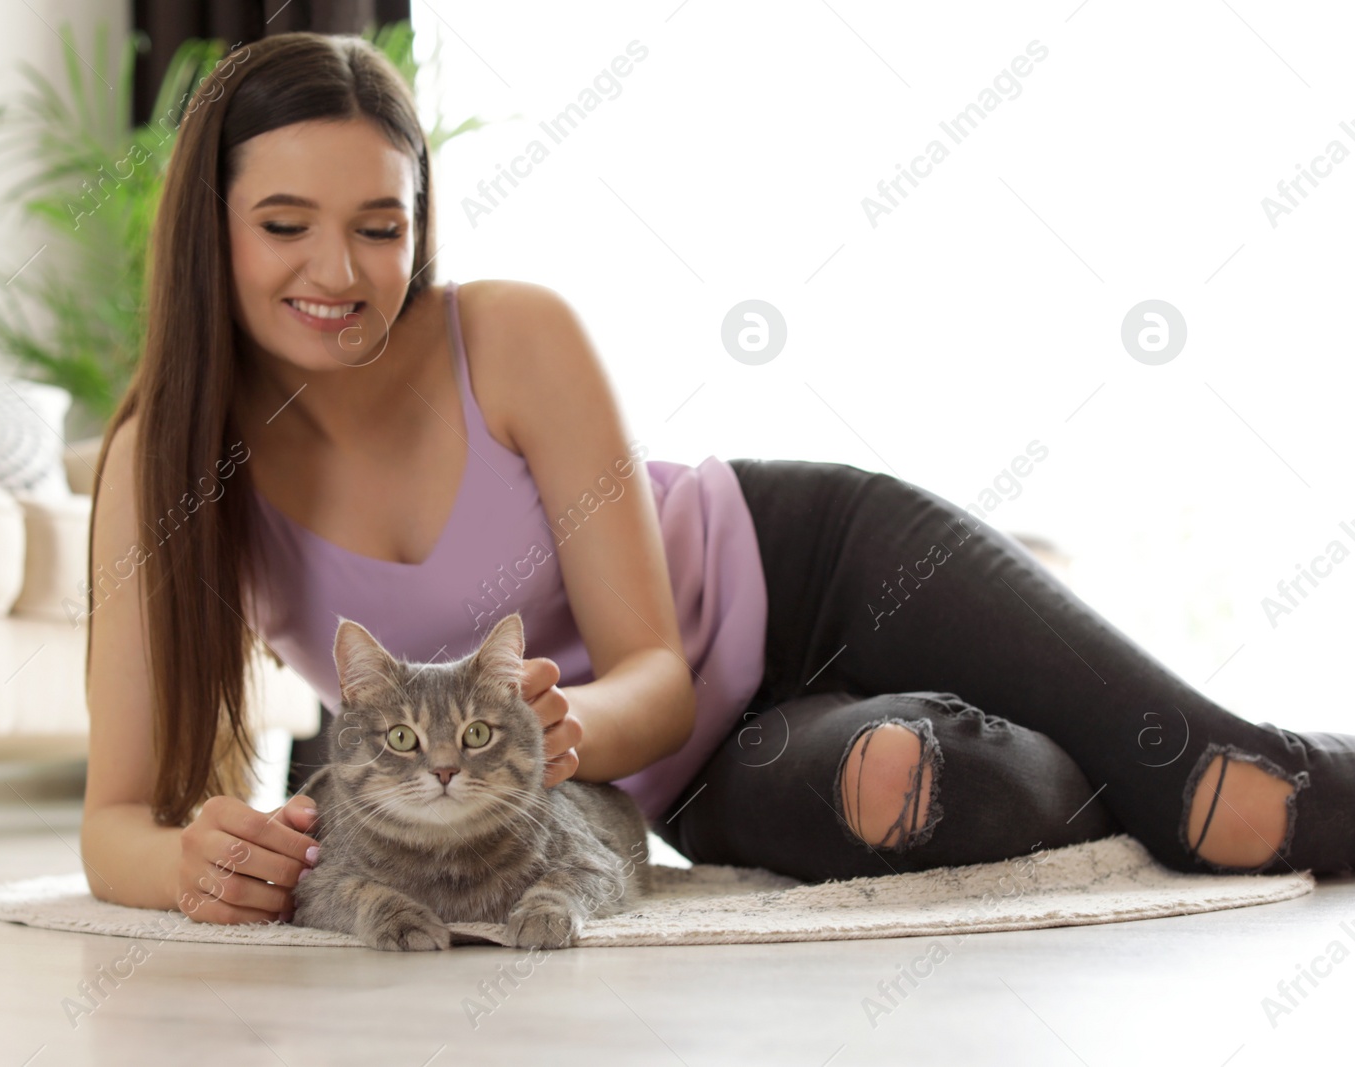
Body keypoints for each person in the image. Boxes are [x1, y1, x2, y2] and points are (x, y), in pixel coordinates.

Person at [81, 33, 1355, 926]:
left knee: (1230, 800)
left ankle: (1144, 766)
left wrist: (562, 726)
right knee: (917, 782)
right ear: (214, 225)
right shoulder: (166, 463)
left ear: (419, 222)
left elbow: (653, 668)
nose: (340, 271)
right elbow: (116, 821)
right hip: (699, 770)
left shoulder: (511, 334)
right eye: (285, 223)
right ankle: (1034, 748)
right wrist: (193, 859)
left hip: (820, 565)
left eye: (380, 225)